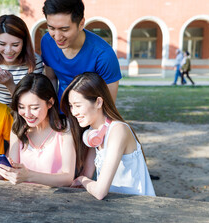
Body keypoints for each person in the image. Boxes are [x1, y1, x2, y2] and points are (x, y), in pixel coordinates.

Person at [60, 72, 155, 200]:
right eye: (71, 106)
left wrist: (82, 180)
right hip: (115, 204)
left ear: (98, 102)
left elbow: (100, 191)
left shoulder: (118, 130)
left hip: (139, 206)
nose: (74, 112)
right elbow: (87, 173)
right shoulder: (93, 132)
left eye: (78, 105)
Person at [41, 0, 122, 104]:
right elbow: (51, 79)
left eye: (64, 29)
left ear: (81, 24)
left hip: (90, 118)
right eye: (51, 28)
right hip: (59, 114)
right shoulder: (47, 42)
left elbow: (108, 106)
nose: (57, 37)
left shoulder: (104, 56)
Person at [0, 73, 76, 187]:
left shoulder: (64, 128)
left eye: (34, 108)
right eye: (21, 107)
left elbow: (67, 178)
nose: (27, 114)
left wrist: (28, 175)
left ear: (50, 103)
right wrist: (9, 172)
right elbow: (15, 174)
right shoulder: (17, 128)